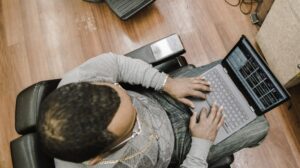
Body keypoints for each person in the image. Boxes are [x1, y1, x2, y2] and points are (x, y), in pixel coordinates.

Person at [37, 53, 269, 168]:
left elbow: (118, 64)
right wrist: (200, 143)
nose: (138, 118)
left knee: (233, 74)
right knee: (260, 125)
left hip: (161, 97)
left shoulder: (79, 80)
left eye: (122, 93)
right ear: (96, 159)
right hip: (180, 148)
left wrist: (167, 83)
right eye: (132, 125)